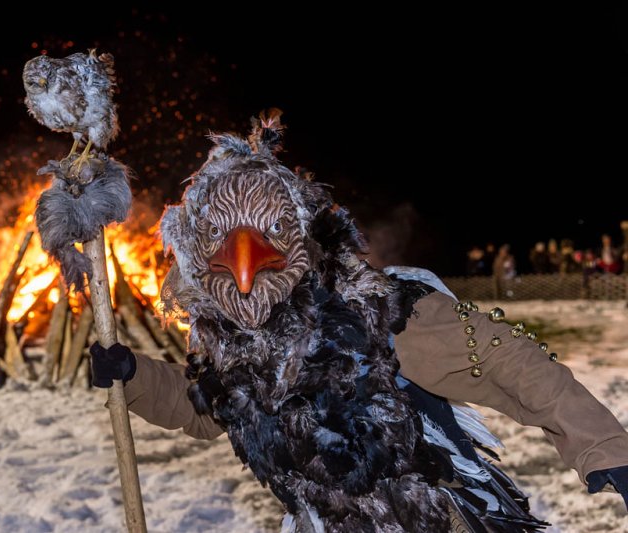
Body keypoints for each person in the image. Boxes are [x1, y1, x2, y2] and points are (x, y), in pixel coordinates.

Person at [90, 116, 628, 530]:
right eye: (221, 238)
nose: (245, 257)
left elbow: (504, 358)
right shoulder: (226, 340)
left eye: (270, 229)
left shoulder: (378, 311)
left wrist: (603, 446)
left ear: (301, 234)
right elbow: (208, 411)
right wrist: (133, 375)